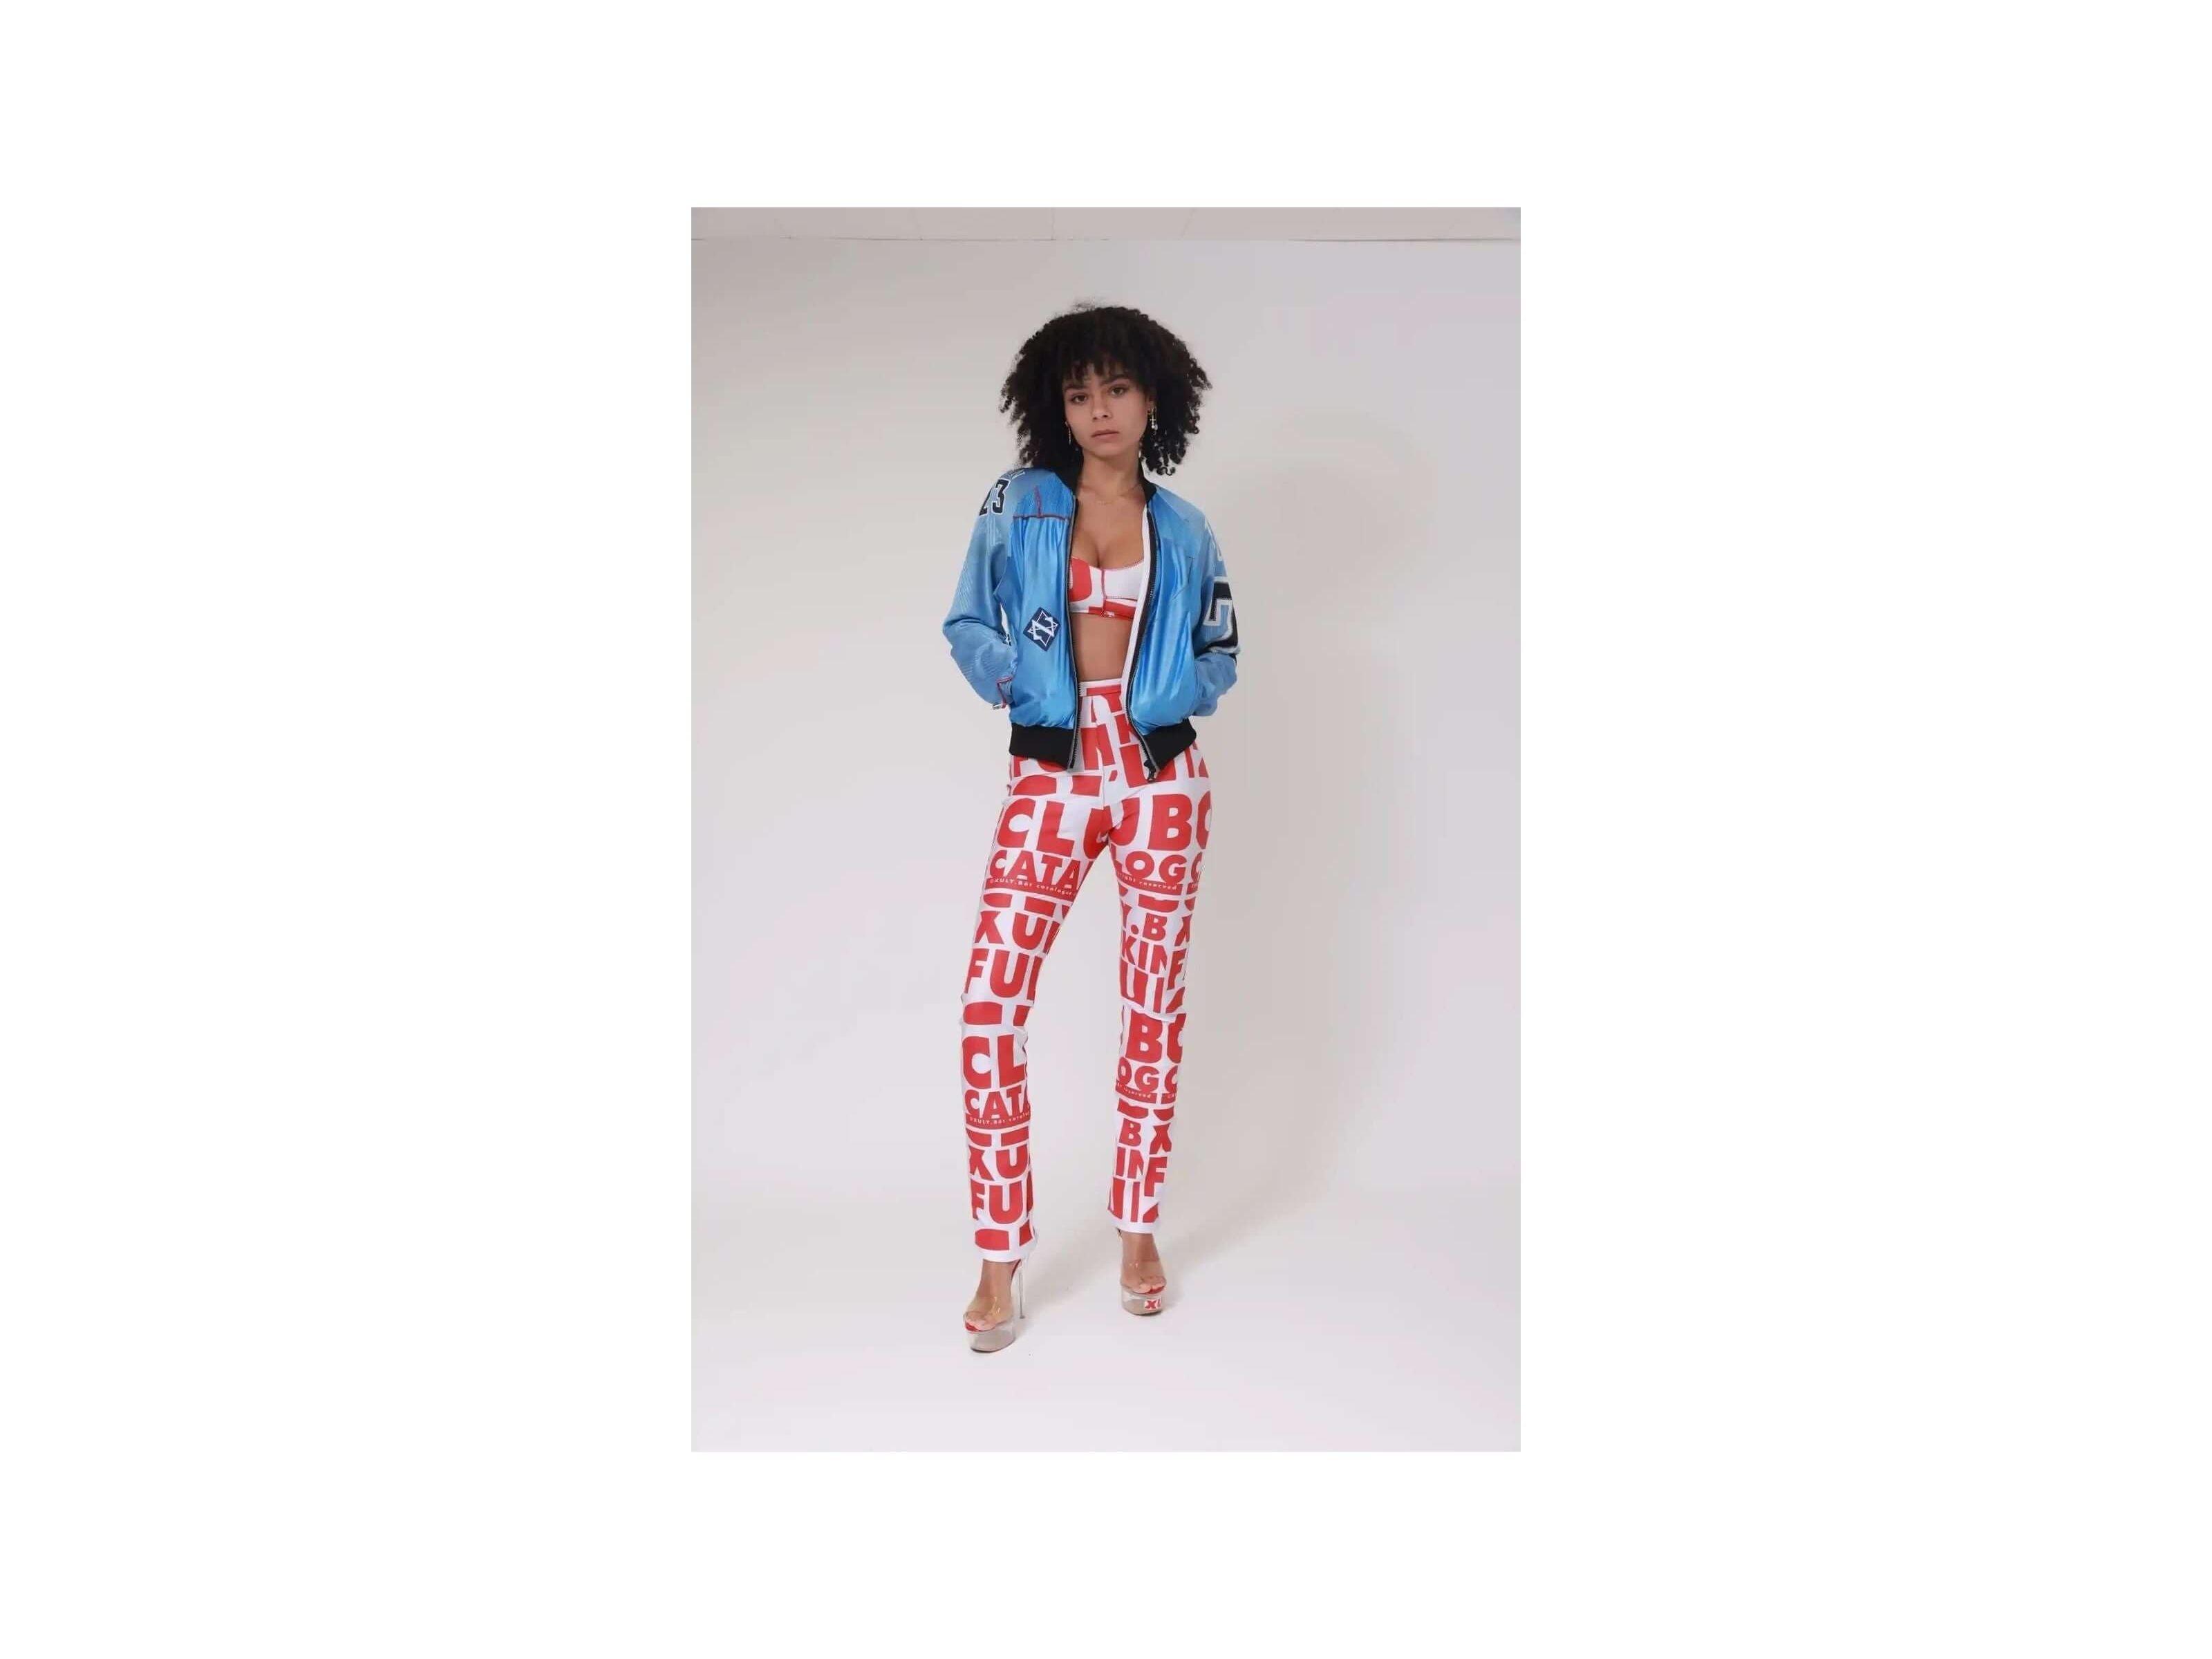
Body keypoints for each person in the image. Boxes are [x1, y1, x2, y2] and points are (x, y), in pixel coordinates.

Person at [941, 301, 1241, 1352]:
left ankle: (1138, 1231)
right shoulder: (1019, 504)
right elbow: (966, 620)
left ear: (1154, 399)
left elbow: (1221, 650)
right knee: (989, 1006)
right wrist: (1020, 680)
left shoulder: (1186, 527)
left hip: (1160, 776)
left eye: (1117, 388)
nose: (1099, 409)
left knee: (1152, 1009)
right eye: (1079, 393)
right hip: (1054, 770)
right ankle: (999, 1256)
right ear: (1055, 408)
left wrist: (1168, 693)